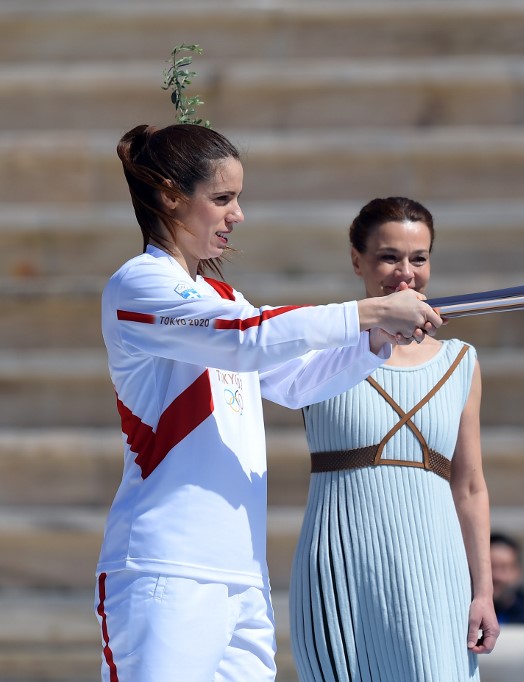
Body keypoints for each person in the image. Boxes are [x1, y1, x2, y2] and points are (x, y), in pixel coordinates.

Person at [95, 124, 443, 682]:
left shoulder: (223, 297)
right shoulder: (139, 286)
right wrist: (372, 312)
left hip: (242, 573)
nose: (238, 215)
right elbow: (248, 337)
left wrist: (376, 343)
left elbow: (297, 380)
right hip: (167, 569)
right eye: (223, 199)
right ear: (169, 196)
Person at [289, 196, 499, 681]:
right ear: (356, 258)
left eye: (418, 258)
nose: (405, 273)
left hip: (436, 567)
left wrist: (482, 592)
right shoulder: (322, 344)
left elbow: (469, 487)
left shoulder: (460, 361)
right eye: (389, 257)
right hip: (341, 564)